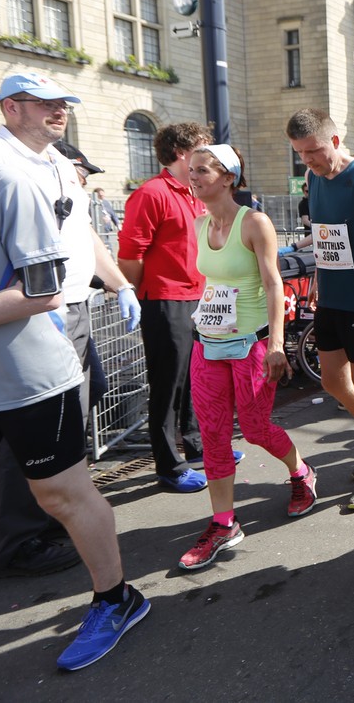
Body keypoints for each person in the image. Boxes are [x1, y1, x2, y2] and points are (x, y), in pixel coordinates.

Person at [0, 50, 149, 671]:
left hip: (30, 382)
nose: (58, 113)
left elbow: (40, 289)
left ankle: (116, 597)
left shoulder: (4, 181)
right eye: (46, 104)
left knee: (63, 497)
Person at [0, 74, 140, 580]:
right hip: (26, 315)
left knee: (61, 427)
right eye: (44, 103)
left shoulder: (59, 161)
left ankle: (46, 523)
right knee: (26, 430)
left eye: (62, 103)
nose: (58, 110)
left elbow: (81, 233)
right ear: (10, 108)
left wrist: (120, 284)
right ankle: (14, 545)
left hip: (72, 309)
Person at [175, 144, 317, 570]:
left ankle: (301, 473)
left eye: (202, 170)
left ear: (228, 178)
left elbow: (274, 284)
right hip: (208, 344)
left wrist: (276, 344)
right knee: (213, 435)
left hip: (250, 344)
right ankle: (224, 523)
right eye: (191, 170)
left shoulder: (254, 222)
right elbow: (213, 282)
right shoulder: (200, 223)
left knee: (255, 429)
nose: (193, 177)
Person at [284, 109, 354, 514]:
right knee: (331, 380)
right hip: (330, 298)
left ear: (334, 140)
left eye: (313, 150)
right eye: (300, 153)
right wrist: (316, 274)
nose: (307, 160)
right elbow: (327, 234)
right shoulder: (314, 178)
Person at [118, 123, 214, 493]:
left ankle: (195, 447)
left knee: (193, 379)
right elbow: (130, 254)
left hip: (196, 296)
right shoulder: (152, 193)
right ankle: (169, 466)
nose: (209, 158)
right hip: (165, 299)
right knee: (168, 385)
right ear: (181, 153)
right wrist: (149, 290)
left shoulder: (195, 192)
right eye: (202, 150)